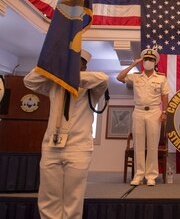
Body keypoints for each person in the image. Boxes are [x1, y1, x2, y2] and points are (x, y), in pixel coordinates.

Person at [23, 50, 109, 219]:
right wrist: (52, 65)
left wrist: (71, 76)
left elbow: (103, 79)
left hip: (78, 148)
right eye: (69, 60)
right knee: (48, 198)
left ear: (84, 65)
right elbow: (29, 81)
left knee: (73, 200)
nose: (71, 63)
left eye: (77, 61)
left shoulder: (91, 87)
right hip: (51, 145)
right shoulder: (54, 83)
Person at [117, 48, 170, 186]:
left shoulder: (161, 78)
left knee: (153, 144)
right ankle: (139, 175)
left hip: (154, 111)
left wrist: (164, 112)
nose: (148, 62)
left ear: (155, 62)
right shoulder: (135, 77)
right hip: (139, 111)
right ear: (142, 61)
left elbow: (164, 96)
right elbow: (119, 77)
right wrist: (133, 64)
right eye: (146, 59)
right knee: (138, 144)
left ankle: (151, 175)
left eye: (151, 60)